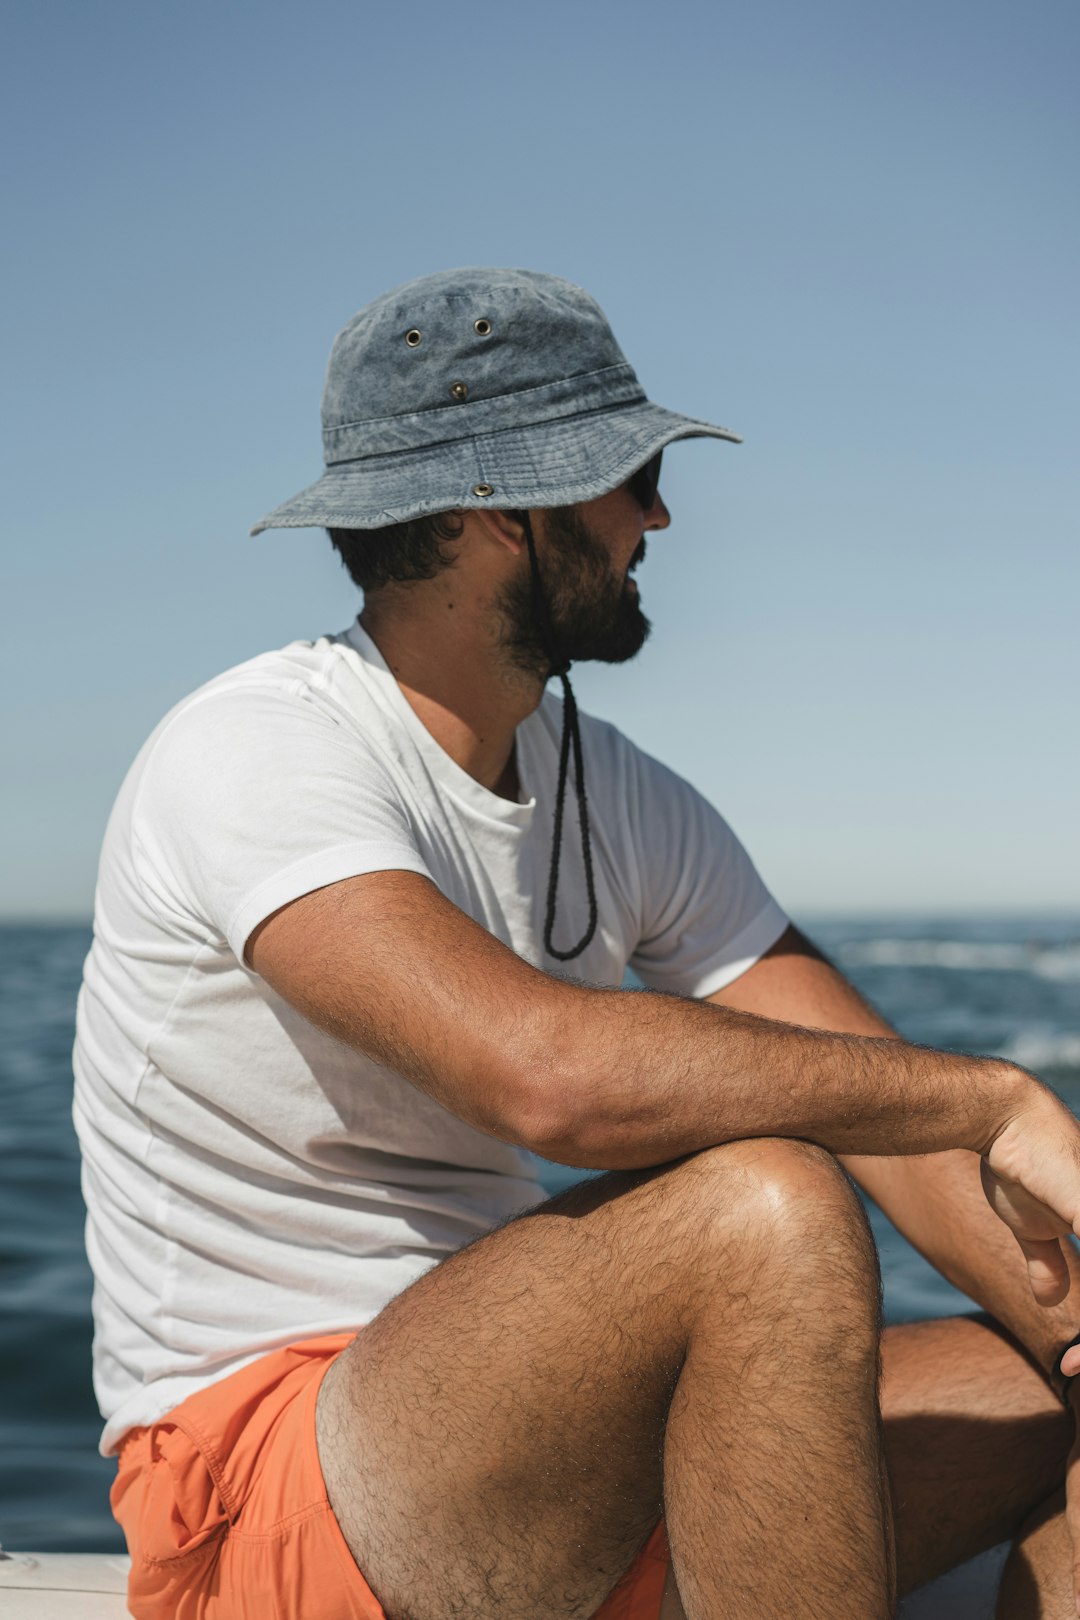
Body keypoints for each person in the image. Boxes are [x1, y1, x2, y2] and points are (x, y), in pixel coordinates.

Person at [74, 267, 1080, 1620]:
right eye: (631, 472)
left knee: (1054, 1392)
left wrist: (1071, 1317)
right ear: (502, 512)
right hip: (277, 1496)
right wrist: (996, 1097)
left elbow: (877, 1108)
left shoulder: (620, 794)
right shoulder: (256, 749)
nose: (657, 511)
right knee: (760, 1206)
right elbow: (544, 1078)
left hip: (549, 1471)